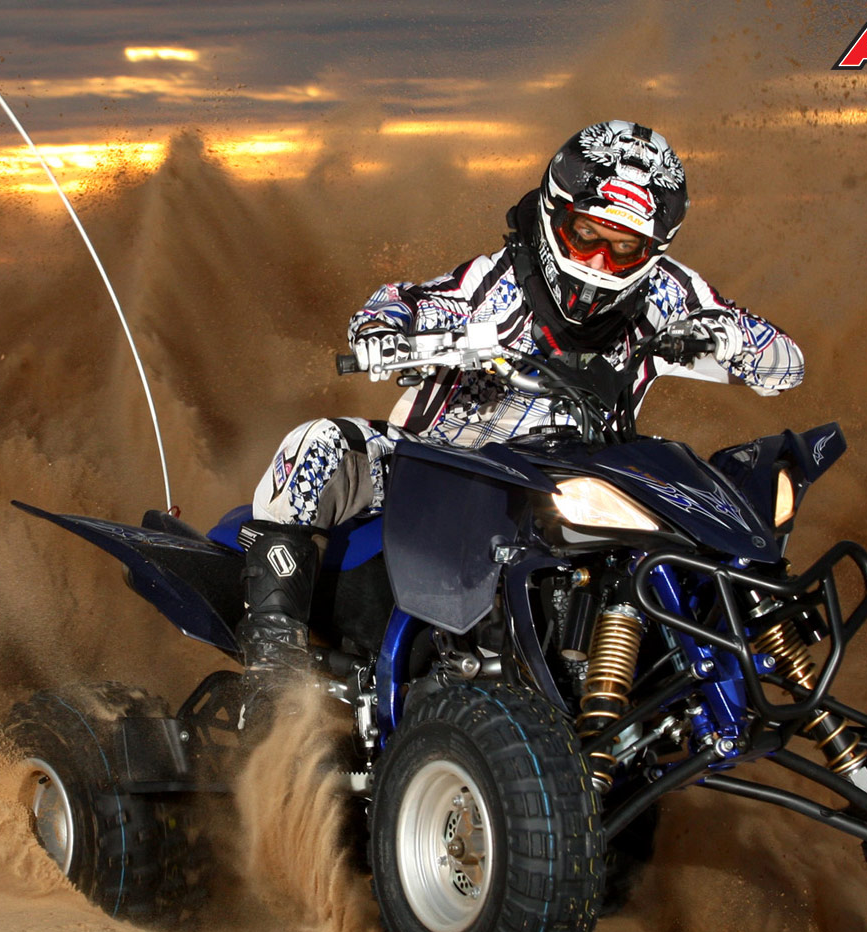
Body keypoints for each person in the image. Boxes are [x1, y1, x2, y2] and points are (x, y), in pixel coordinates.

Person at [236, 119, 805, 681]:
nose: (600, 262)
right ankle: (272, 655)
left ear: (653, 249)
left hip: (577, 489)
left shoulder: (667, 291)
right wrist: (387, 330)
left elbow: (787, 362)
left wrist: (727, 337)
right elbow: (410, 300)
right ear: (556, 214)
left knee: (703, 515)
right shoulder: (499, 282)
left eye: (624, 248)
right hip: (441, 473)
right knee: (320, 443)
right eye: (587, 235)